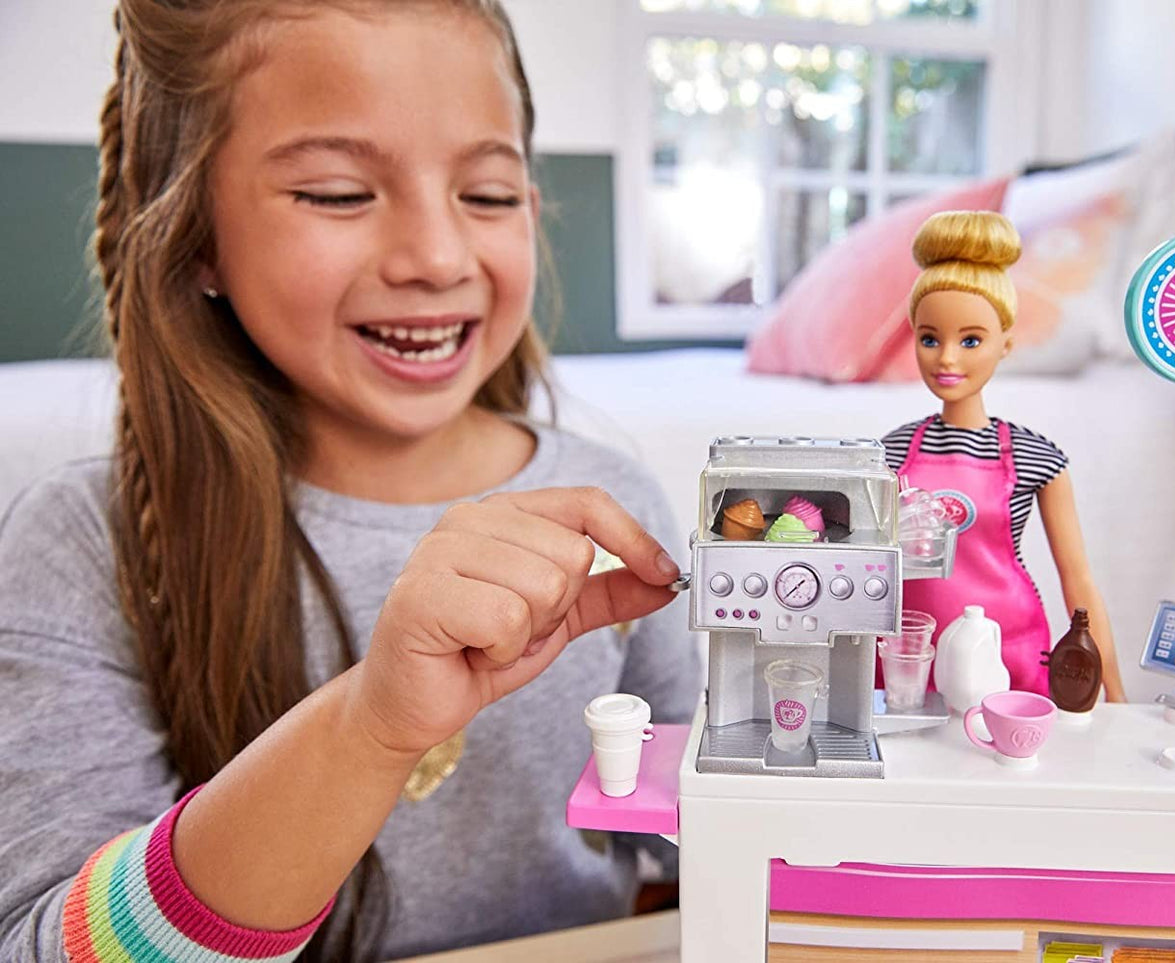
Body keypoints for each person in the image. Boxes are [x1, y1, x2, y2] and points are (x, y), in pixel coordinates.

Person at [0, 2, 700, 960]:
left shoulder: (614, 503)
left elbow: (695, 837)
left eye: (488, 194)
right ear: (196, 235)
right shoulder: (82, 544)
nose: (437, 258)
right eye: (336, 194)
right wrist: (370, 726)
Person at [883, 211, 1125, 702]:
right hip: (911, 654)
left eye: (971, 340)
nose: (947, 358)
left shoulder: (1036, 456)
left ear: (1006, 344)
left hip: (1007, 649)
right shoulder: (891, 452)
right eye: (930, 339)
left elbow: (1077, 578)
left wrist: (1116, 695)